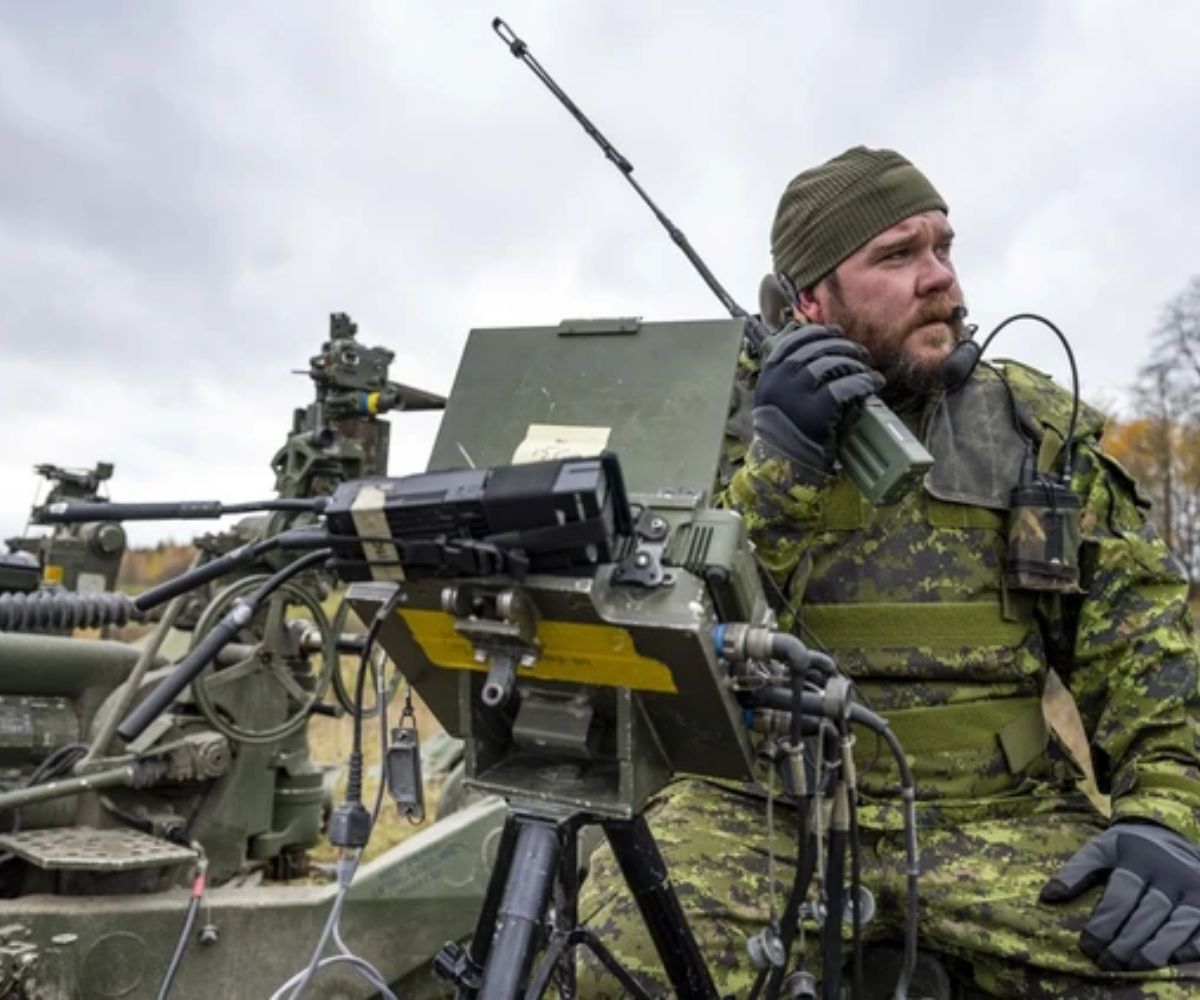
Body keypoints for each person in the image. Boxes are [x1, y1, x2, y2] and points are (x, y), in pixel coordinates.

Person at [578, 147, 1200, 998]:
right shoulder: (719, 430)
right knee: (613, 969)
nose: (939, 278)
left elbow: (1148, 654)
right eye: (897, 256)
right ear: (808, 299)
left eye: (942, 247)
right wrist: (782, 466)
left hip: (997, 818)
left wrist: (1168, 817)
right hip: (761, 814)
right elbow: (660, 628)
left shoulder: (1031, 429)